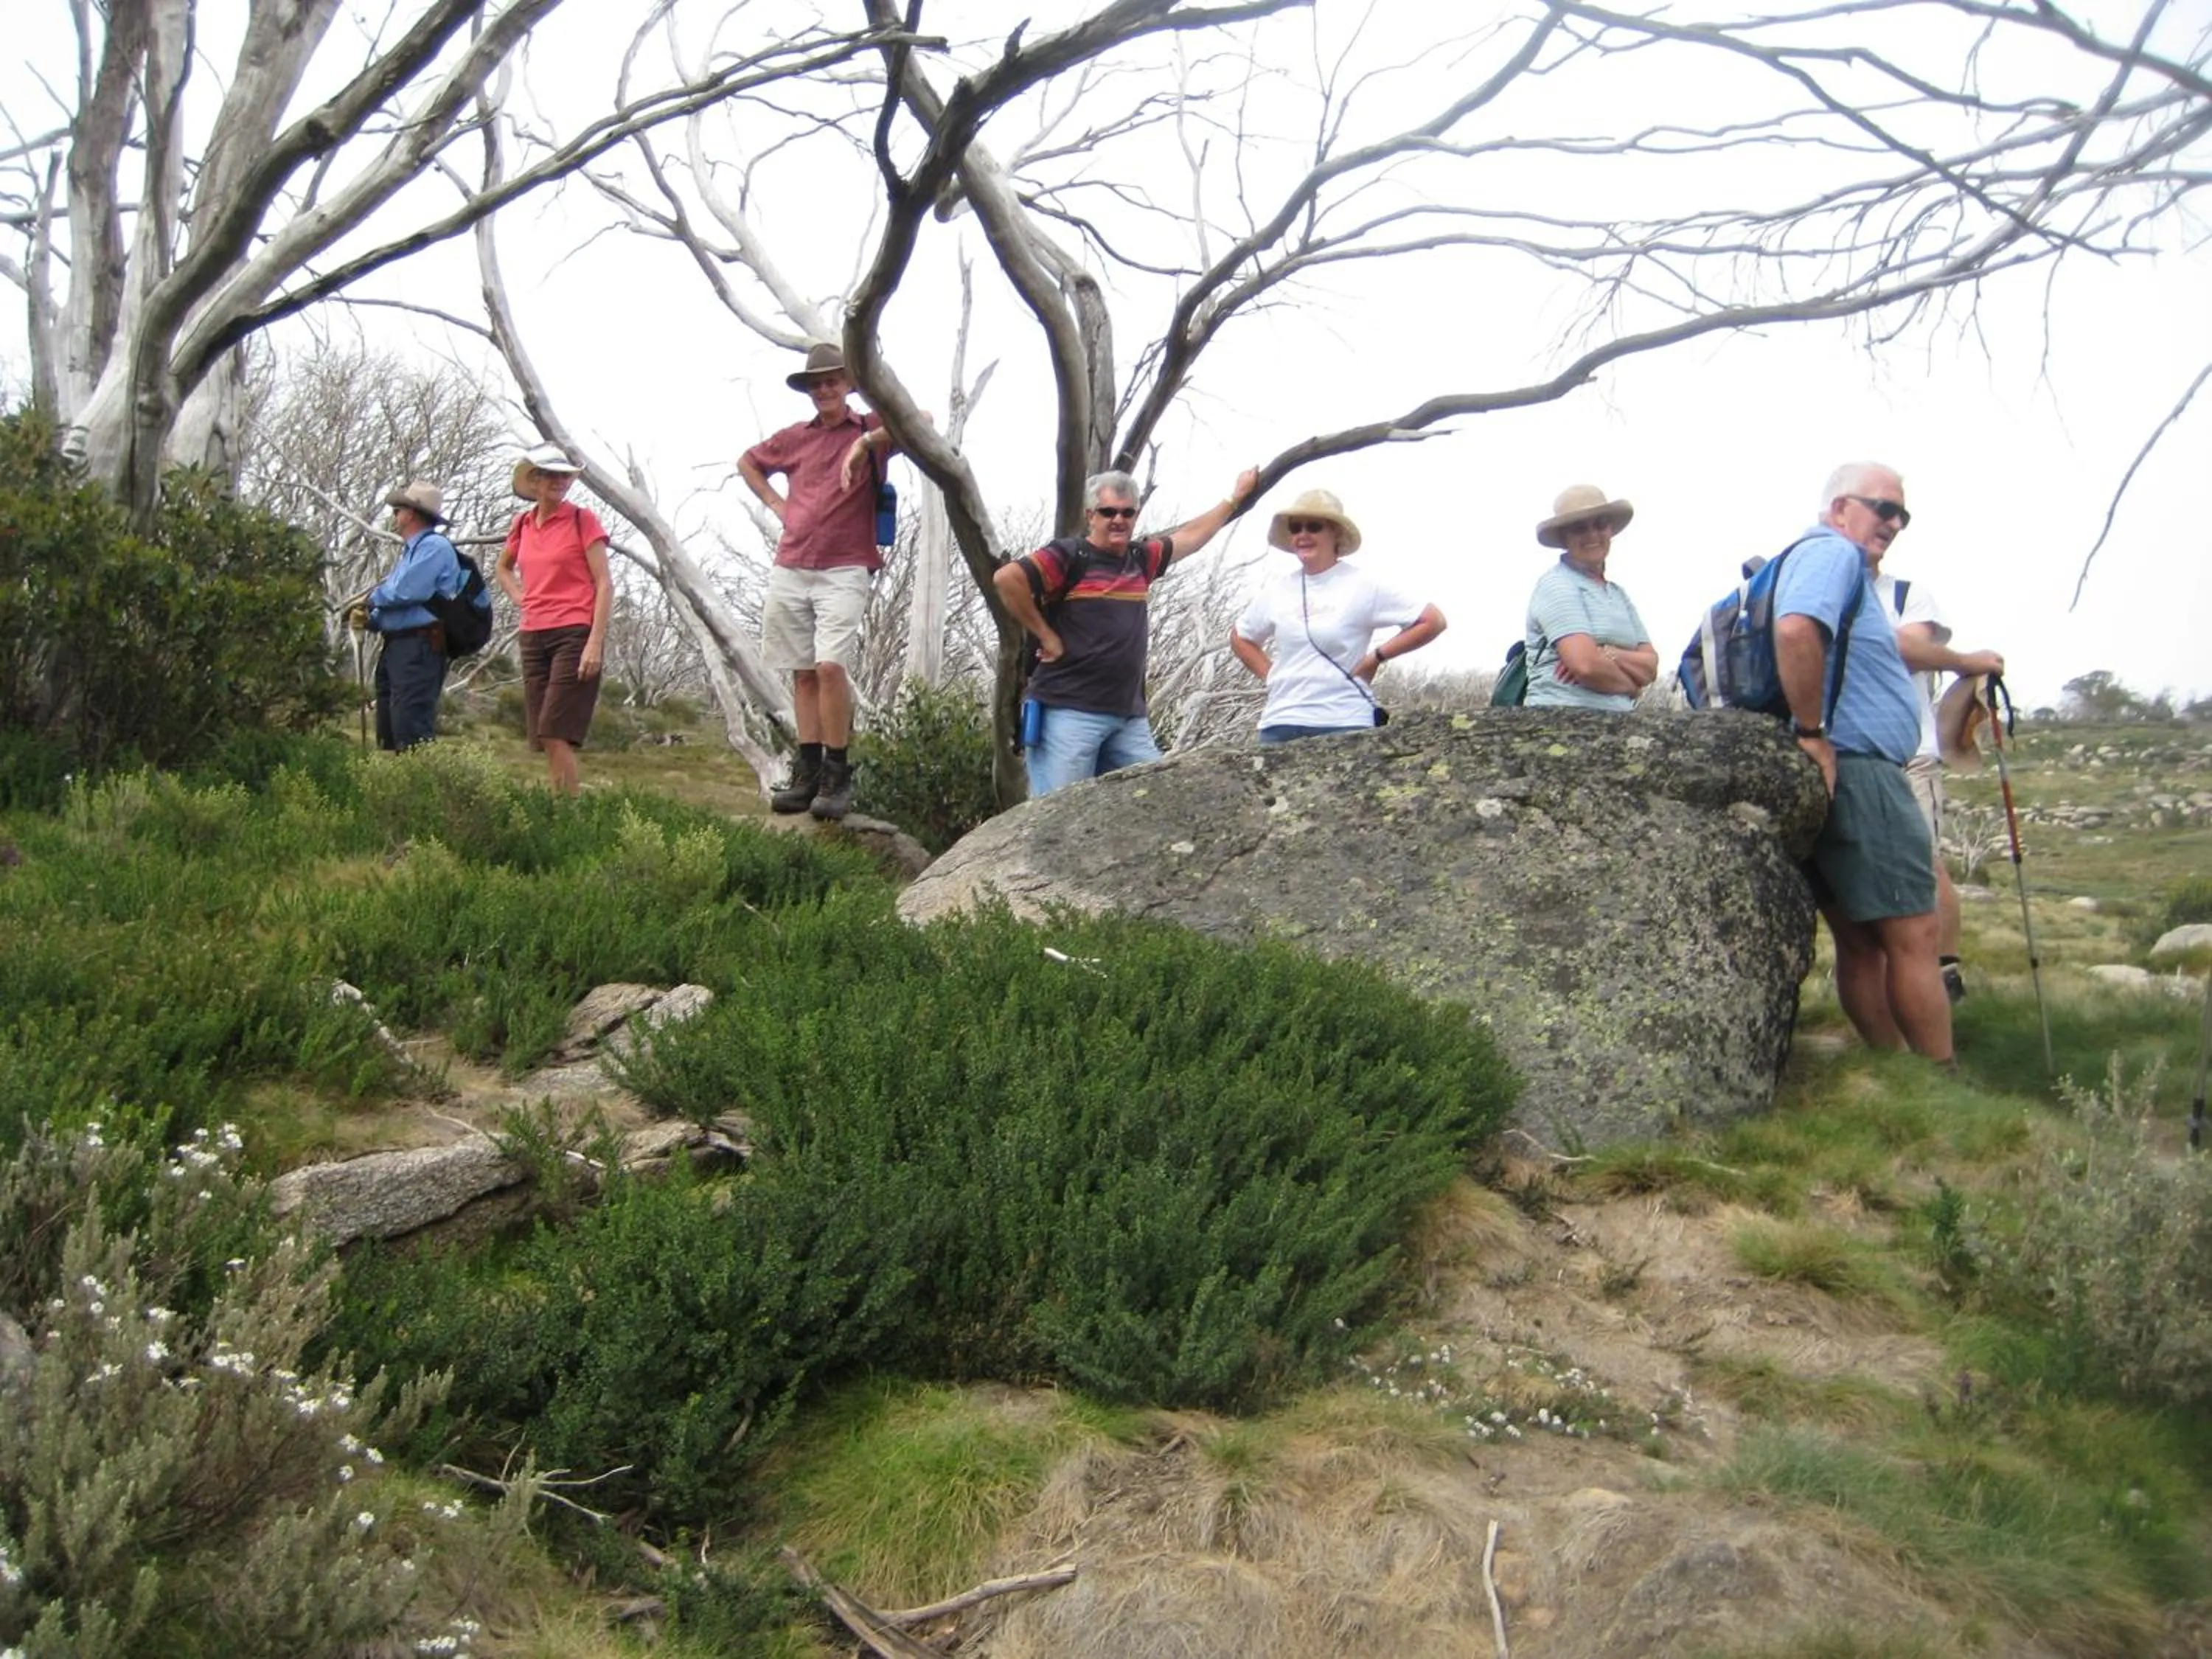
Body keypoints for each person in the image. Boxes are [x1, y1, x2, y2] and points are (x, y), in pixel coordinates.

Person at [1773, 462, 1952, 1064]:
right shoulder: (1834, 555)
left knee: (1860, 943)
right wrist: (1813, 733)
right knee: (1914, 936)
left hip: (1842, 769)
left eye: (1902, 513)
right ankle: (1942, 1078)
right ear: (1840, 508)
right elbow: (1797, 631)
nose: (1895, 522)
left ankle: (1900, 1073)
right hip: (1862, 772)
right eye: (1883, 508)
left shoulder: (1817, 559)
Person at [993, 465, 1260, 794]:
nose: (1118, 520)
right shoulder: (1069, 555)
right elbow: (1007, 579)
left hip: (1127, 716)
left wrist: (1235, 499)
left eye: (1127, 512)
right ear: (1091, 515)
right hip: (1068, 712)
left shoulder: (1140, 559)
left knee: (1157, 797)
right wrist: (1045, 634)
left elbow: (1192, 536)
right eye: (1108, 512)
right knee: (1055, 819)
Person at [738, 341, 897, 821]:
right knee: (802, 671)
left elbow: (922, 421)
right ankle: (807, 776)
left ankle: (836, 773)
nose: (825, 389)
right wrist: (776, 505)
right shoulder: (795, 436)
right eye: (817, 383)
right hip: (793, 563)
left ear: (849, 384)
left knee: (831, 666)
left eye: (833, 380)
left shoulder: (869, 427)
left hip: (846, 566)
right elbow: (748, 461)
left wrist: (865, 446)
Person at [1869, 562, 2006, 1004]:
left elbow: (1910, 648)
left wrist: (1965, 664)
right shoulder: (1827, 588)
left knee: (1923, 861)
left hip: (1911, 754)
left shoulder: (1907, 596)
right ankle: (1889, 974)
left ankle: (1943, 972)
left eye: (1895, 515)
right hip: (1851, 752)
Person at [1228, 489, 1446, 742]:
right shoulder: (1277, 590)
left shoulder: (1363, 585)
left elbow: (1432, 621)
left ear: (1336, 533)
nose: (1303, 535)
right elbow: (1240, 636)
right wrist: (1273, 676)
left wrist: (1376, 657)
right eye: (1296, 528)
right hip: (1281, 722)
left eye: (1314, 527)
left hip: (1345, 720)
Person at [495, 443, 613, 796]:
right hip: (533, 635)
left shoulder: (582, 519)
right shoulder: (523, 524)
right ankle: (560, 801)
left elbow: (604, 583)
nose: (560, 482)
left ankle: (569, 811)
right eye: (552, 474)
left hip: (574, 633)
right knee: (542, 734)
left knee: (554, 728)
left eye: (565, 476)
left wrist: (594, 642)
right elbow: (503, 568)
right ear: (535, 479)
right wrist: (521, 598)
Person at [1521, 484, 1660, 709]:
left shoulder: (1618, 594)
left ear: (1610, 530)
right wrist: (1631, 687)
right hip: (1563, 718)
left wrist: (1608, 653)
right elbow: (1586, 666)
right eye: (1580, 528)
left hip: (1618, 723)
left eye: (1600, 525)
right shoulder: (1557, 585)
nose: (1592, 534)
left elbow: (1651, 665)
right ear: (1564, 537)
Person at [358, 479, 464, 752]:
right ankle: (395, 789)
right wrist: (372, 620)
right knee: (390, 725)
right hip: (398, 645)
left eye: (397, 510)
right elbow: (403, 602)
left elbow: (406, 592)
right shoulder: (412, 552)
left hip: (419, 647)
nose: (394, 516)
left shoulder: (435, 548)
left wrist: (370, 601)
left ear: (412, 514)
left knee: (411, 726)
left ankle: (419, 789)